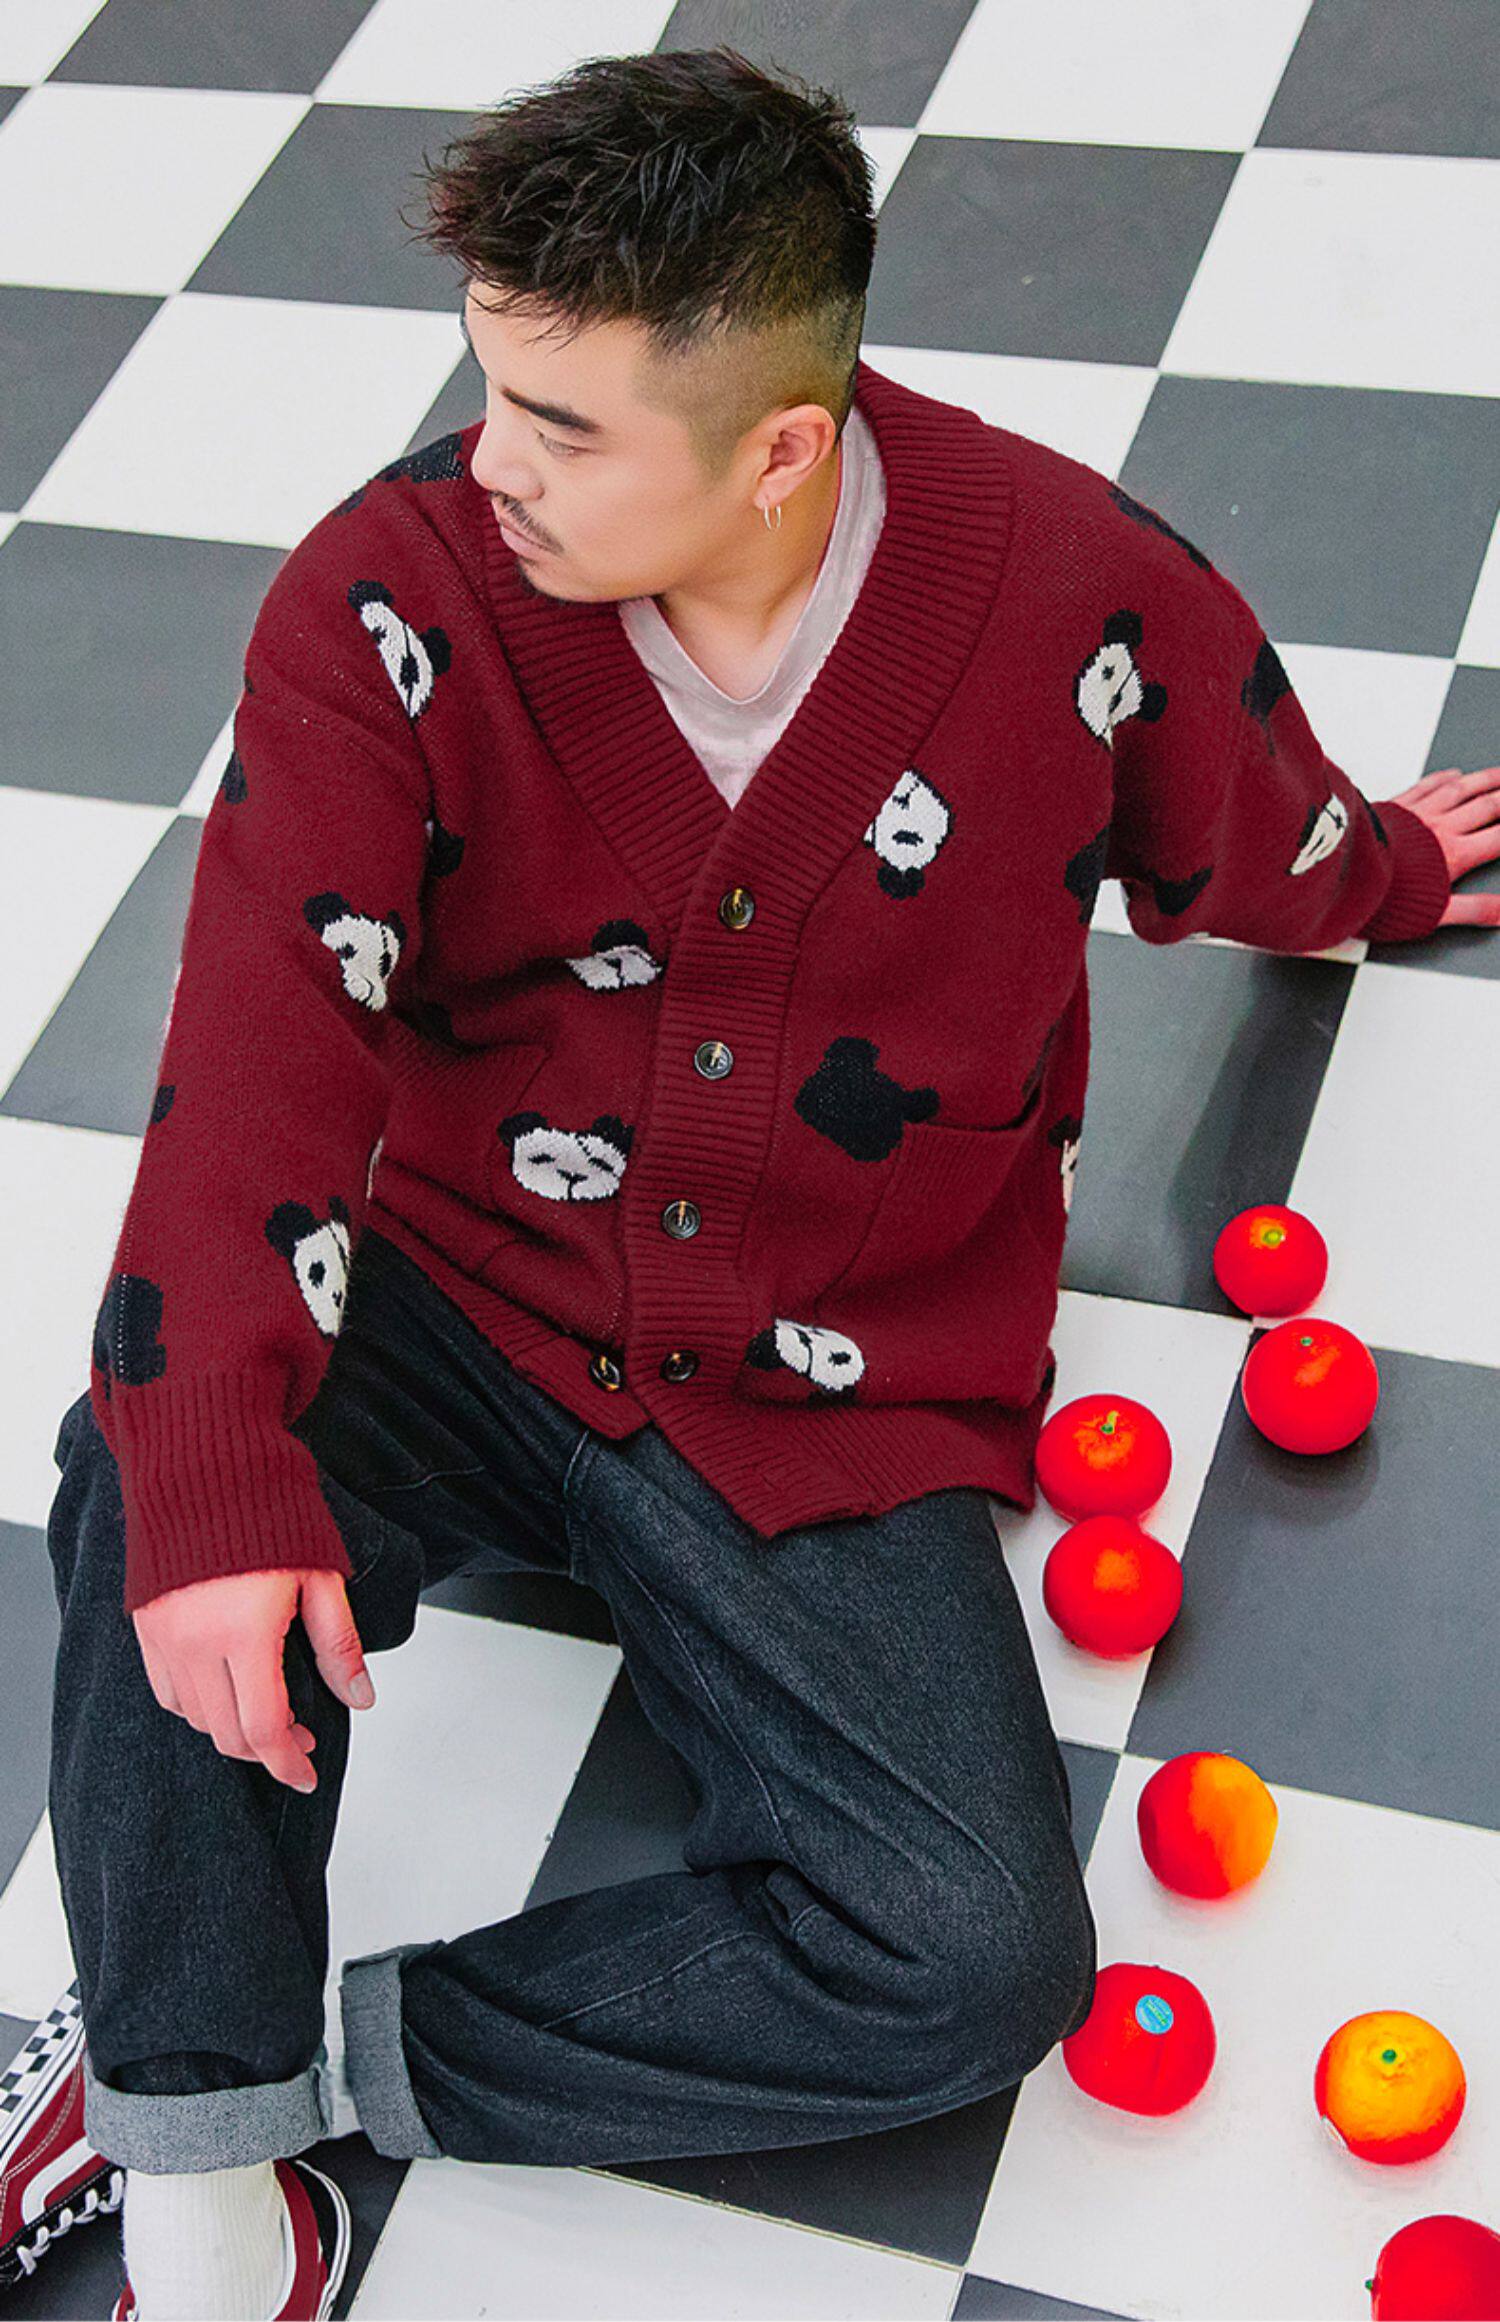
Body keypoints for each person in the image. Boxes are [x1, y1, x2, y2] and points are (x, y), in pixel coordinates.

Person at [32, 40, 1500, 2322]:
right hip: (459, 1290)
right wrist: (221, 1465)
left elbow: (1245, 820)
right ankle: (209, 2186)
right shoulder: (386, 602)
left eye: (564, 425)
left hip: (837, 1380)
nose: (489, 461)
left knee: (974, 1951)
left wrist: (1382, 865)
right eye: (490, 388)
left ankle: (256, 2067)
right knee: (158, 1455)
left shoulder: (1070, 590)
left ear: (783, 446)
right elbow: (256, 1056)